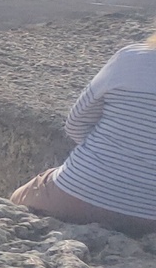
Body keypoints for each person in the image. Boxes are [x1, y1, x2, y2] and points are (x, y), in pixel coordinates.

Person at [11, 33, 156, 236]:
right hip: (150, 219)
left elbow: (75, 124)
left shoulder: (130, 57)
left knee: (19, 198)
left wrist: (107, 153)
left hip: (78, 195)